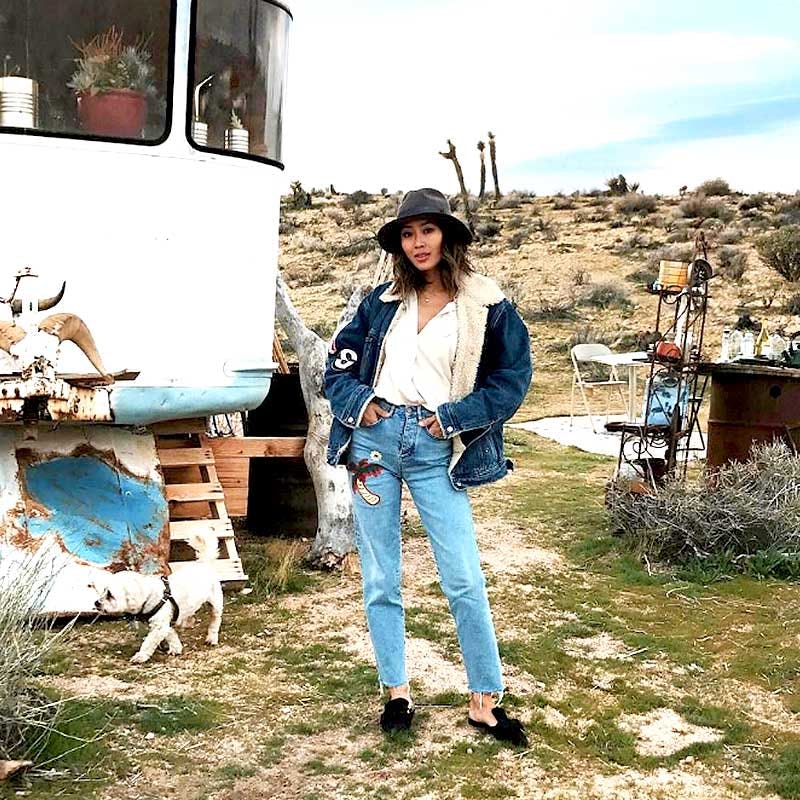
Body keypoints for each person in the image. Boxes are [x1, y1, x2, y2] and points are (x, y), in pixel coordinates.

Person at [324, 188, 532, 745]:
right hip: (373, 446)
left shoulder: (488, 304)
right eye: (408, 233)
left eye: (428, 230)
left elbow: (512, 381)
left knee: (463, 576)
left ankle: (485, 701)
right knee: (380, 575)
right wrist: (360, 403)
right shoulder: (380, 302)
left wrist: (456, 416)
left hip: (436, 444)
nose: (418, 243)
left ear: (448, 236)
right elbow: (336, 369)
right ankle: (396, 692)